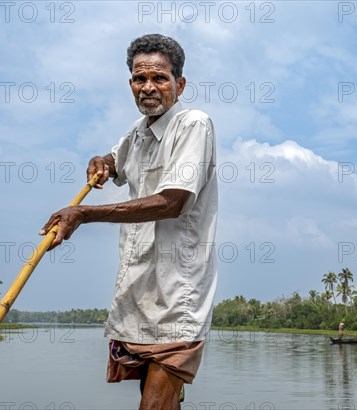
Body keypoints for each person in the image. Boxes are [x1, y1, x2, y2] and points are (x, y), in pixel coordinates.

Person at [40, 33, 218, 410]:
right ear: (131, 84)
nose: (148, 87)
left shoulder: (193, 125)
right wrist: (101, 162)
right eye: (140, 79)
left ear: (179, 84)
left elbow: (173, 201)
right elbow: (113, 159)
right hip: (137, 291)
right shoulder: (137, 135)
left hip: (176, 296)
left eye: (160, 78)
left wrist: (84, 214)